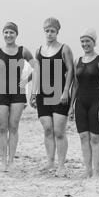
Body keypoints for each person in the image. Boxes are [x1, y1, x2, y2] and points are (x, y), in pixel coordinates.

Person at [0, 22, 35, 171]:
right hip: (0, 92)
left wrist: (26, 81)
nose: (8, 35)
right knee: (2, 127)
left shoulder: (24, 51)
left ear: (16, 34)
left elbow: (38, 68)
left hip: (18, 93)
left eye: (11, 33)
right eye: (6, 32)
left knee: (13, 127)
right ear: (3, 34)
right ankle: (3, 161)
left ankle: (11, 161)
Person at [30, 17, 73, 177]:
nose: (49, 33)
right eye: (47, 31)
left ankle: (61, 165)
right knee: (48, 129)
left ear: (57, 32)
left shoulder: (64, 49)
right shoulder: (39, 50)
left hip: (59, 93)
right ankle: (50, 162)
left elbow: (70, 71)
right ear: (44, 31)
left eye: (52, 31)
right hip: (42, 93)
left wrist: (66, 91)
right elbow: (37, 73)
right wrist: (33, 93)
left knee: (59, 131)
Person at [69, 28, 99, 179]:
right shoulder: (77, 61)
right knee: (83, 137)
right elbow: (75, 84)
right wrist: (71, 106)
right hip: (81, 102)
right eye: (83, 41)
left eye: (88, 41)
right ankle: (88, 170)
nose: (85, 44)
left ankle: (97, 171)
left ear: (94, 42)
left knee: (95, 138)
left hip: (97, 102)